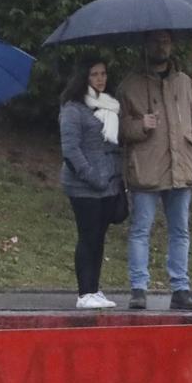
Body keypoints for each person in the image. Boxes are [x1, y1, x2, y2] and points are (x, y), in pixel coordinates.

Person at [117, 30, 192, 311]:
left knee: (180, 231)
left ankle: (181, 288)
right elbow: (116, 129)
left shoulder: (185, 83)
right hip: (146, 169)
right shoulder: (129, 86)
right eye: (156, 41)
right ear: (146, 45)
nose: (162, 46)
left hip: (182, 169)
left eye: (166, 41)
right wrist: (140, 125)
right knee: (140, 230)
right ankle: (138, 289)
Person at [58, 57, 125, 310]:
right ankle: (84, 292)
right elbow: (71, 150)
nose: (100, 79)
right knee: (87, 236)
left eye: (103, 73)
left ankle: (94, 288)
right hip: (84, 186)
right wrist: (92, 176)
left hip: (109, 184)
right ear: (83, 79)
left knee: (99, 237)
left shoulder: (109, 106)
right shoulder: (73, 109)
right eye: (94, 74)